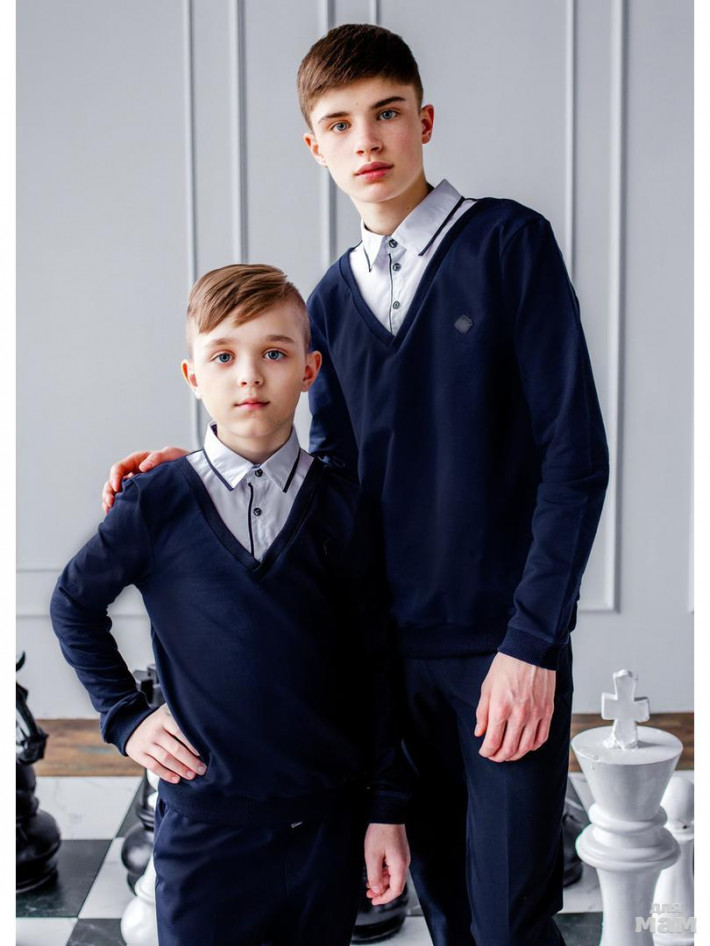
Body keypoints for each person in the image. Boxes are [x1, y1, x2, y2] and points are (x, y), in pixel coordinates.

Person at [103, 24, 609, 946]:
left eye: (386, 114)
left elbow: (575, 457)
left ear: (425, 121)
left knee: (511, 919)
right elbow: (330, 482)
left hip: (502, 650)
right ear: (315, 146)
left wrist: (533, 645)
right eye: (339, 124)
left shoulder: (509, 244)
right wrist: (208, 465)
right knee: (449, 912)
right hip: (384, 659)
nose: (366, 141)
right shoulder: (330, 302)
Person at [52, 263, 410, 946]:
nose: (249, 376)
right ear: (193, 376)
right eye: (224, 356)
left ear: (308, 372)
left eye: (274, 353)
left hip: (326, 829)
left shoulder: (345, 508)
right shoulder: (155, 501)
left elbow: (377, 666)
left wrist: (386, 808)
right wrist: (126, 716)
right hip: (205, 834)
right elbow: (73, 604)